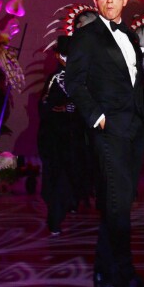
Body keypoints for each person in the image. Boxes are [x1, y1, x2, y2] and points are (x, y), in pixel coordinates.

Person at [65, 0, 144, 287]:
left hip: (134, 130)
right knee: (118, 207)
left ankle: (102, 269)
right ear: (95, 1)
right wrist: (99, 119)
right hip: (109, 131)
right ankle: (126, 279)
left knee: (118, 203)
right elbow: (74, 82)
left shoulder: (130, 35)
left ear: (125, 0)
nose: (109, 0)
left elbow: (134, 82)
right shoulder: (85, 37)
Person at [38, 36, 84, 236]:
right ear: (58, 56)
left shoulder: (82, 77)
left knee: (72, 176)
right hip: (56, 138)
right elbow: (45, 106)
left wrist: (74, 108)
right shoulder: (55, 79)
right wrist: (62, 108)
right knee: (57, 180)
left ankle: (66, 206)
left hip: (75, 137)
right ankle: (55, 218)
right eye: (64, 55)